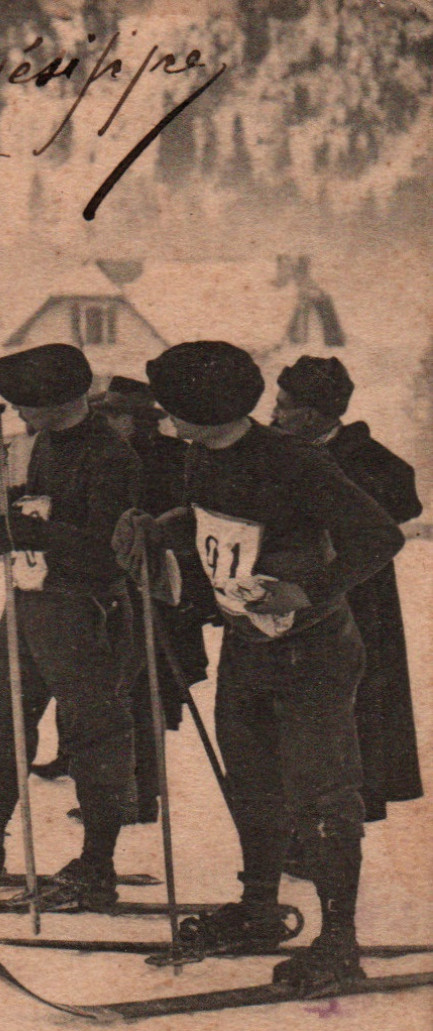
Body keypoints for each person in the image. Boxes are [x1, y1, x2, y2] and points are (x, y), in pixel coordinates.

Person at [117, 340, 403, 992]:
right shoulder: (199, 454)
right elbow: (207, 519)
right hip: (247, 643)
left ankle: (337, 941)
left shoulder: (295, 461)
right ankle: (257, 907)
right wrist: (159, 527)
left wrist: (310, 591)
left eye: (170, 408)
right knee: (250, 782)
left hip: (313, 652)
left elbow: (377, 536)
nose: (162, 418)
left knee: (321, 796)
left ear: (206, 409)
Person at [0, 343, 140, 912]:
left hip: (83, 611)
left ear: (57, 402)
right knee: (0, 725)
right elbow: (43, 503)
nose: (16, 415)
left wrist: (30, 532)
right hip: (31, 602)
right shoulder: (46, 444)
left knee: (91, 735)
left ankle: (98, 863)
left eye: (25, 405)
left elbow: (109, 550)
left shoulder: (113, 457)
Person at [273, 355, 422, 824]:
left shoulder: (365, 456)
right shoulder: (285, 450)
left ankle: (344, 815)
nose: (274, 416)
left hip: (359, 593)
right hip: (303, 588)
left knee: (353, 698)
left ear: (314, 414)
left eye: (283, 407)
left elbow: (404, 501)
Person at [84, 376, 211, 821]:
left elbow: (190, 525)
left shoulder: (177, 460)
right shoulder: (111, 458)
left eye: (111, 416)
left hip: (162, 596)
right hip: (122, 591)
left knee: (146, 696)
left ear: (136, 421)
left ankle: (143, 797)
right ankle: (130, 793)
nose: (103, 423)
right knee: (123, 692)